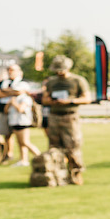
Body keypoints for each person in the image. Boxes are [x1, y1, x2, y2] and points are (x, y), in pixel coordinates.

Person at [42, 55, 92, 185]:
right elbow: (44, 99)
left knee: (73, 147)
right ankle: (57, 175)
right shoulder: (51, 82)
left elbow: (87, 98)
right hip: (54, 116)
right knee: (54, 147)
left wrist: (70, 101)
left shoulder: (77, 81)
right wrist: (53, 101)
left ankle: (76, 173)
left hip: (70, 116)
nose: (59, 72)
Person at [0, 63, 24, 161]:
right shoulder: (3, 82)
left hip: (16, 113)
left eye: (13, 70)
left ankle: (23, 158)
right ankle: (7, 154)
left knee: (21, 137)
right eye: (9, 70)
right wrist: (11, 92)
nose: (10, 72)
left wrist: (5, 92)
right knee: (6, 134)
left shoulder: (21, 82)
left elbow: (19, 92)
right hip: (3, 112)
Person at [6, 80, 40, 166]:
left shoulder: (26, 98)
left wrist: (13, 103)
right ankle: (23, 160)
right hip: (15, 122)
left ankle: (40, 156)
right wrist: (9, 103)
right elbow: (6, 110)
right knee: (20, 143)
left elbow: (20, 109)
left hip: (23, 122)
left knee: (25, 142)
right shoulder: (14, 98)